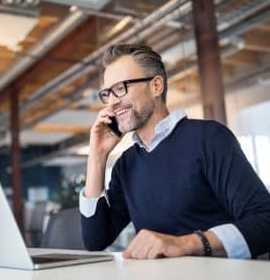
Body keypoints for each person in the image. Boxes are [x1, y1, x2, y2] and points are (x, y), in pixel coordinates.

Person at [79, 44, 270, 259]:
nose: (112, 102)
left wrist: (187, 244)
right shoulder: (126, 165)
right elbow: (95, 241)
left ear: (156, 86)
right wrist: (97, 156)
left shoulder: (209, 138)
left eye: (121, 88)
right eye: (107, 93)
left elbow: (265, 221)